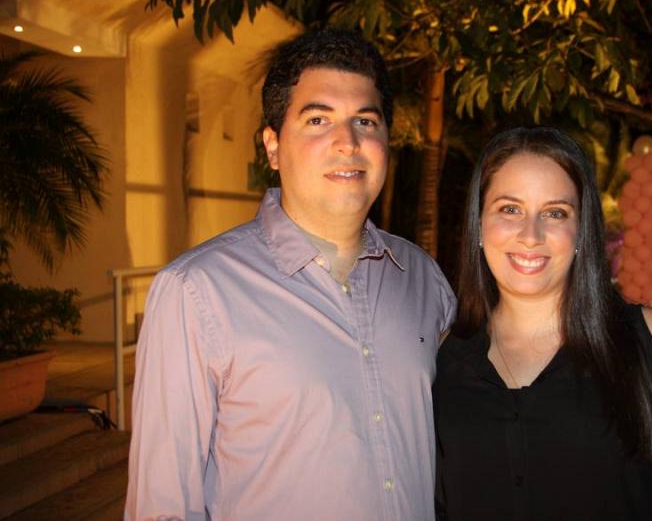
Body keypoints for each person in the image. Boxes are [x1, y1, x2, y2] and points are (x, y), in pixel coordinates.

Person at [125, 29, 455, 521]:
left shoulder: (423, 280)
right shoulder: (196, 293)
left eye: (365, 121)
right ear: (273, 146)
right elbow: (162, 507)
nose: (348, 142)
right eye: (318, 120)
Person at [433, 127, 652, 520]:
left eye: (555, 213)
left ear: (581, 231)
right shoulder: (443, 359)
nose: (530, 235)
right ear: (478, 224)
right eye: (510, 209)